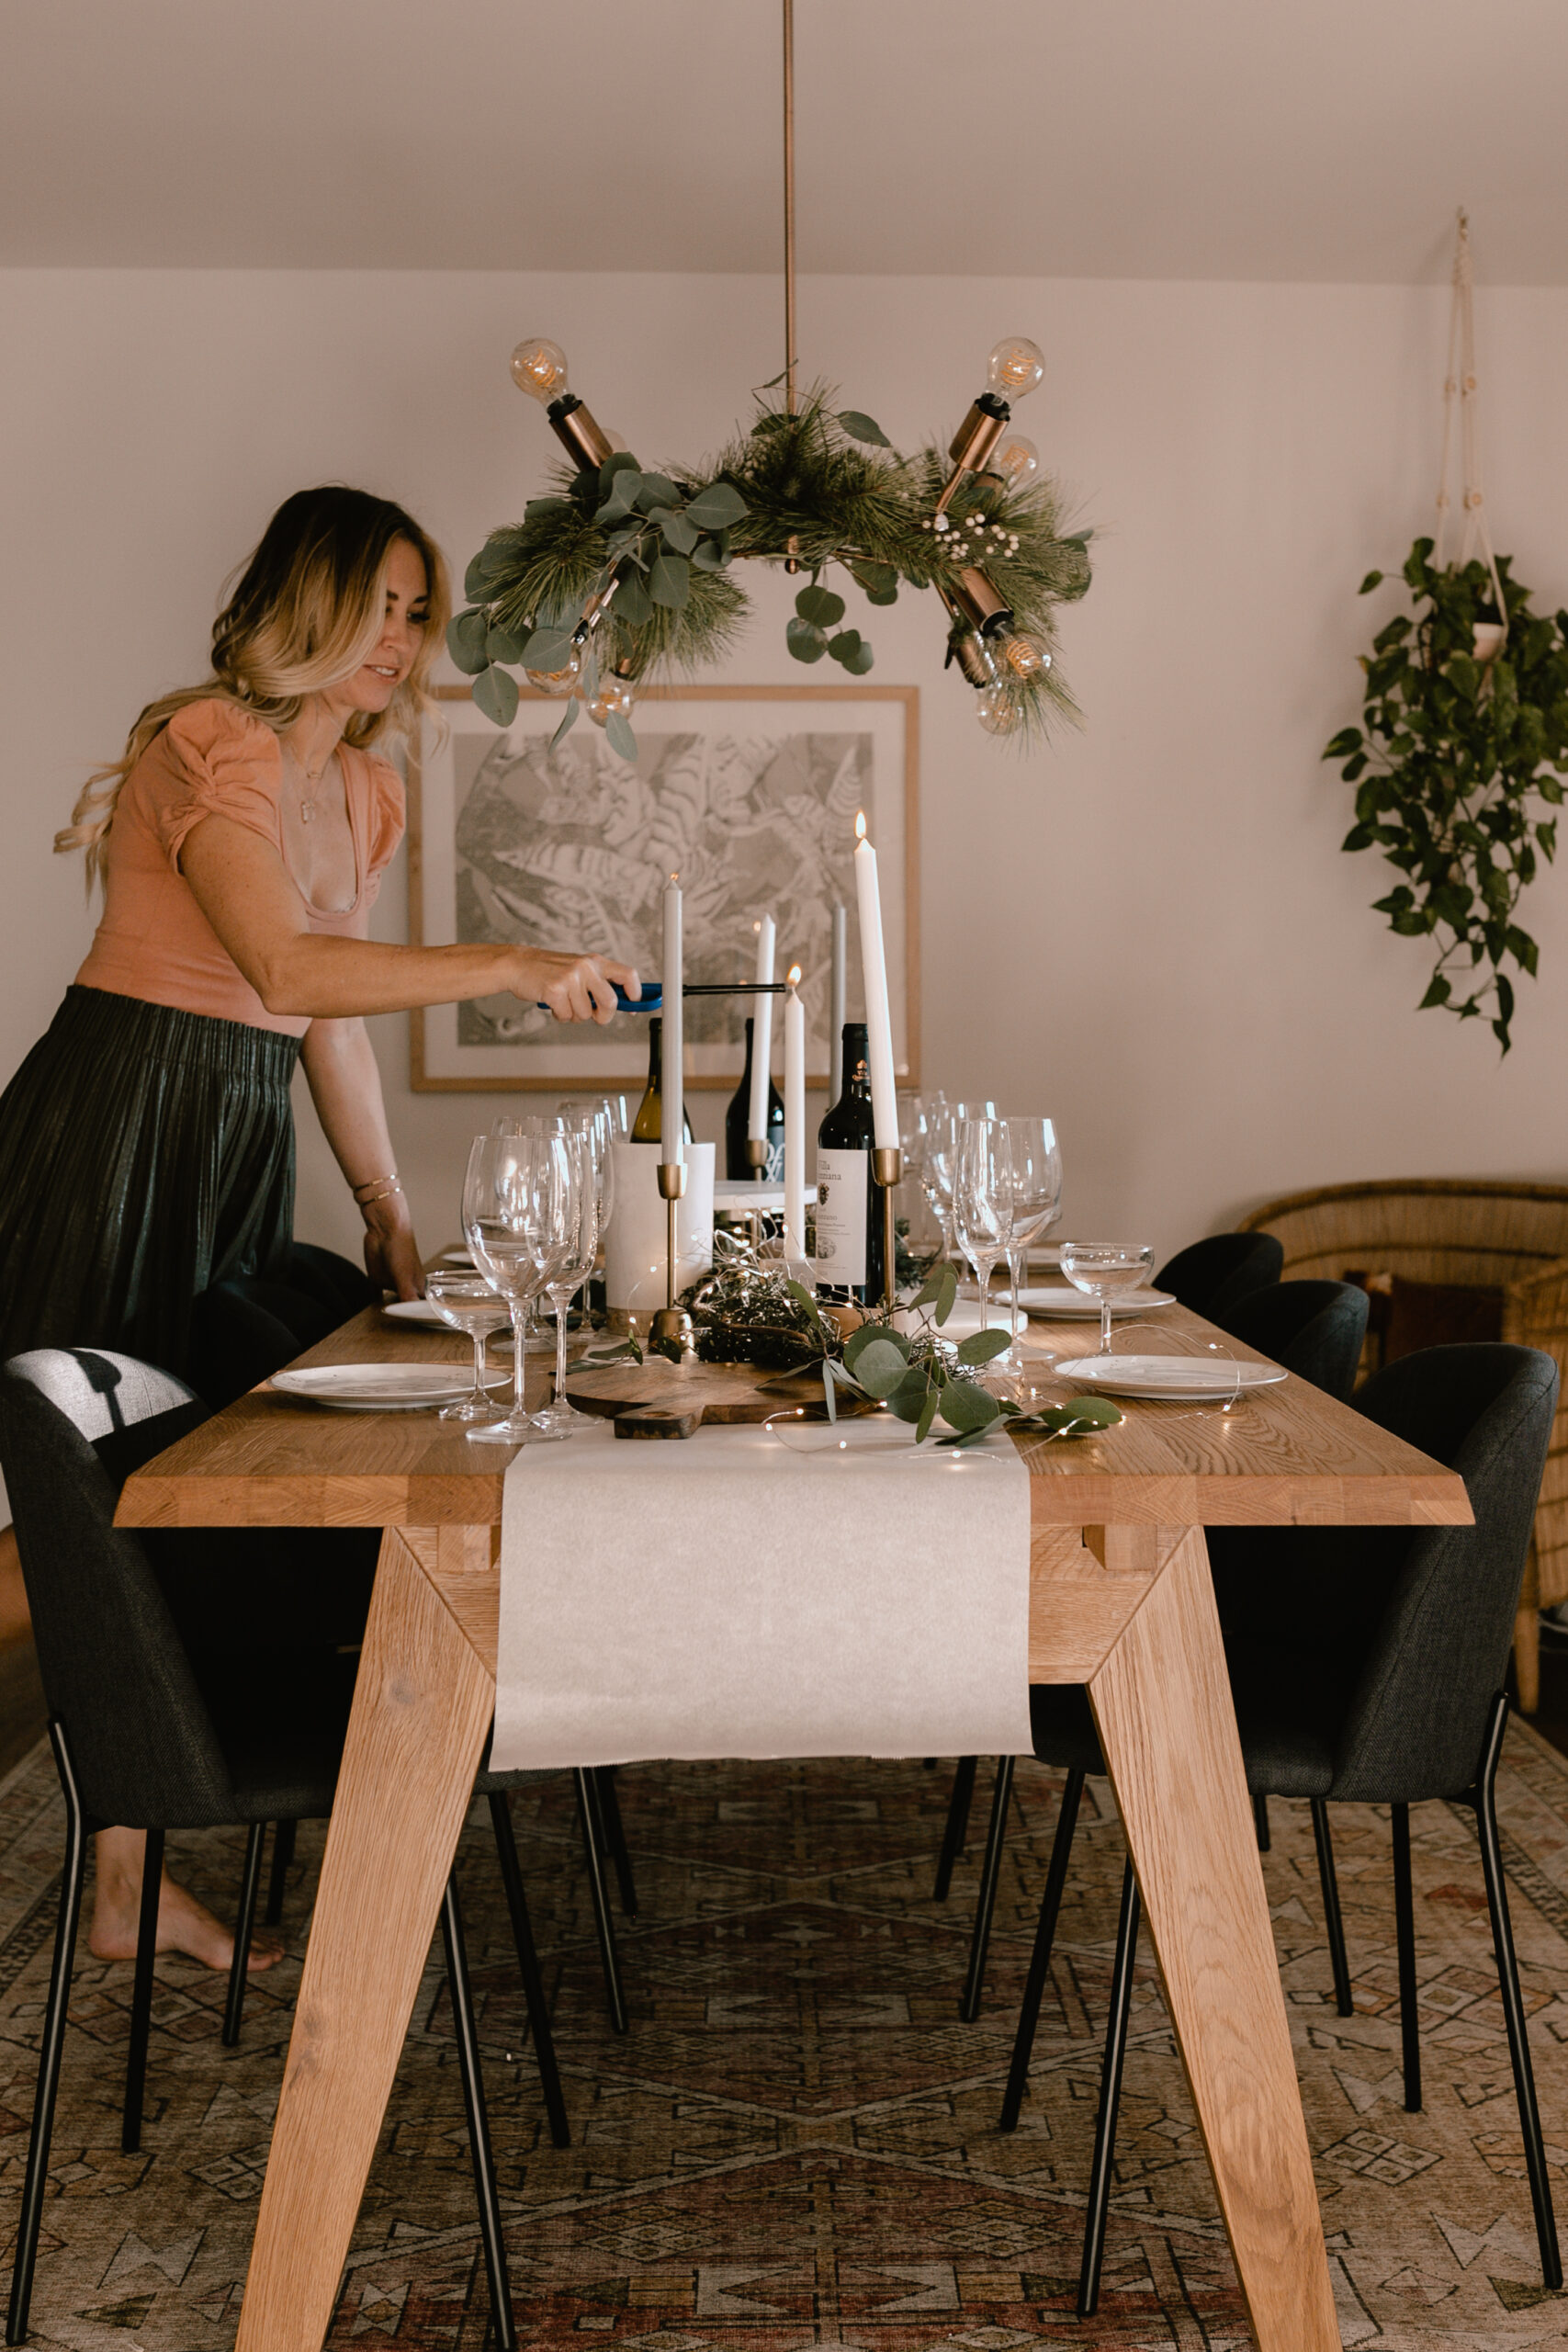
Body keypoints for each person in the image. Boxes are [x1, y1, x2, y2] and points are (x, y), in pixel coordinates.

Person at [0, 485, 638, 1972]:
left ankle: (120, 1886)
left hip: (230, 1122)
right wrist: (511, 959)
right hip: (117, 1108)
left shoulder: (364, 790)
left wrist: (386, 1212)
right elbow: (282, 956)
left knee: (145, 1510)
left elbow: (314, 1019)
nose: (406, 641)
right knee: (67, 1515)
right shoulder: (201, 745)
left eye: (422, 613)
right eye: (385, 607)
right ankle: (117, 1867)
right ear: (311, 601)